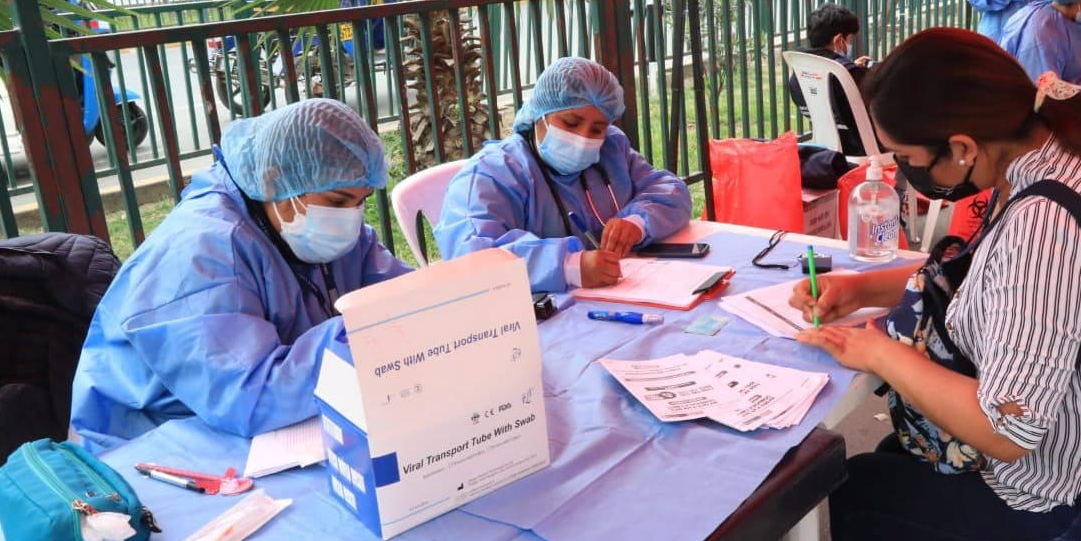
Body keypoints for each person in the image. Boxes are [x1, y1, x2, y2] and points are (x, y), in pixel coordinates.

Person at [788, 27, 1081, 541]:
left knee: (864, 491)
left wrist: (876, 350)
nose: (903, 171)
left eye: (906, 157)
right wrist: (859, 288)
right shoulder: (1063, 155)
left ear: (963, 147)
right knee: (907, 459)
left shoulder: (1048, 224)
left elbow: (1004, 431)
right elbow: (983, 274)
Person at [71, 99, 411, 453]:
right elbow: (249, 396)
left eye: (362, 201)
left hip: (268, 424)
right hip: (154, 444)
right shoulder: (201, 252)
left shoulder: (311, 222)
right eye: (339, 201)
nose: (351, 217)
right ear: (274, 179)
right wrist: (363, 332)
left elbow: (406, 296)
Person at [434, 57, 691, 293]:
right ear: (540, 115)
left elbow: (671, 191)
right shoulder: (493, 173)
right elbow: (470, 257)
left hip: (619, 294)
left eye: (597, 129)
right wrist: (567, 266)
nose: (582, 138)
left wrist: (638, 222)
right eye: (570, 123)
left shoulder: (611, 149)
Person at [787, 4, 872, 155]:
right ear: (839, 40)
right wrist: (856, 71)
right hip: (861, 149)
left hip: (825, 145)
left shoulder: (800, 70)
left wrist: (849, 68)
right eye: (850, 39)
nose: (850, 44)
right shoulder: (848, 74)